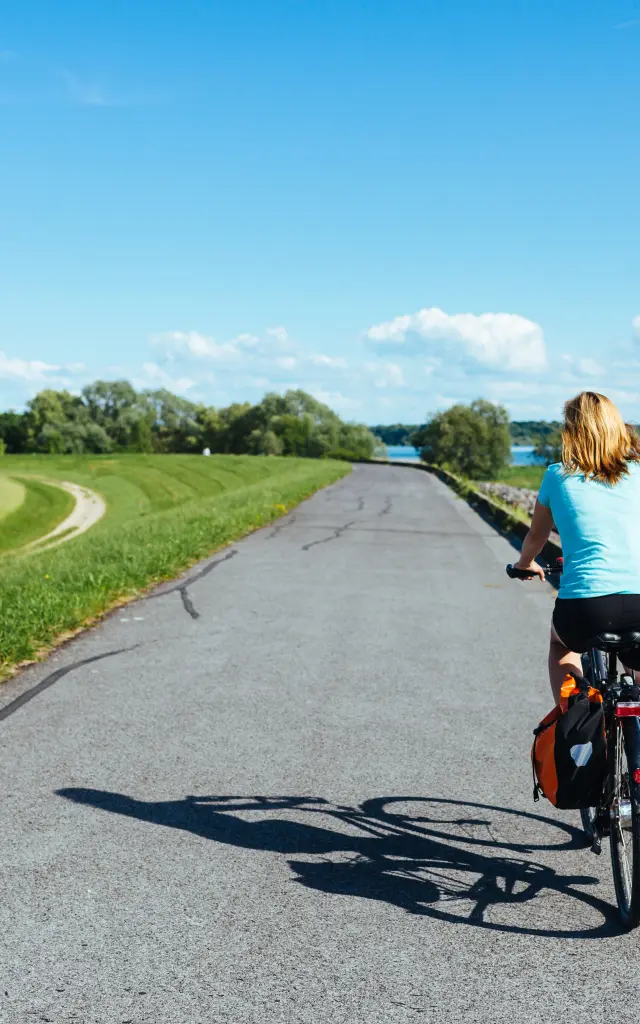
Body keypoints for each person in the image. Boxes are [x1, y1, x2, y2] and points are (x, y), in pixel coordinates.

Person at [514, 391, 640, 702]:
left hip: (586, 607)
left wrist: (524, 564)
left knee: (561, 646)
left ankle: (575, 720)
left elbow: (536, 538)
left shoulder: (557, 475)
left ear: (572, 432)